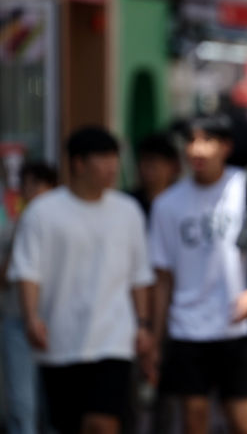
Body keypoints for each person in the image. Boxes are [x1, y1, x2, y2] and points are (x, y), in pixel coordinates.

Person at [10, 126, 155, 434]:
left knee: (102, 424)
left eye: (114, 159)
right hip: (60, 340)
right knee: (68, 425)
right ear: (78, 163)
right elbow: (27, 271)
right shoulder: (42, 212)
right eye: (102, 159)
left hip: (114, 339)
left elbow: (139, 275)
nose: (112, 167)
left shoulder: (128, 212)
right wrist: (32, 317)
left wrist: (143, 324)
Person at [149, 115, 247, 434]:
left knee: (244, 421)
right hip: (186, 328)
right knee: (194, 419)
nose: (196, 149)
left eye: (207, 140)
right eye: (190, 140)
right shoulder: (167, 204)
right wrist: (155, 339)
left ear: (226, 147)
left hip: (234, 326)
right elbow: (162, 277)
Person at [1, 162, 57, 434]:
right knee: (22, 405)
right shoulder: (17, 225)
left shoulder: (63, 224)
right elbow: (6, 277)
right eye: (26, 185)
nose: (30, 192)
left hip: (56, 321)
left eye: (37, 185)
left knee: (55, 408)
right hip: (17, 321)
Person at [129, 134, 181, 219]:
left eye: (156, 161)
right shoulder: (130, 202)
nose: (150, 167)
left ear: (174, 166)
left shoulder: (183, 201)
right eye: (145, 160)